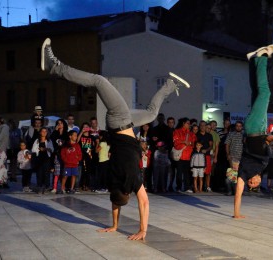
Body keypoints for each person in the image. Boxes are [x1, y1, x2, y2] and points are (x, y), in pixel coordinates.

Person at [41, 37, 189, 240]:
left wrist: (143, 230)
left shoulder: (132, 182)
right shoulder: (115, 182)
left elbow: (143, 203)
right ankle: (169, 86)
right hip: (124, 122)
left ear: (127, 194)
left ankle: (54, 66)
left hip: (119, 120)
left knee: (99, 81)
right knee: (151, 114)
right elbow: (115, 202)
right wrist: (114, 226)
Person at [234, 44, 273, 219]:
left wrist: (236, 213)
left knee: (265, 93)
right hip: (256, 128)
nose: (254, 182)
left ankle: (262, 57)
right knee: (257, 93)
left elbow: (238, 193)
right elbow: (264, 144)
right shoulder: (262, 167)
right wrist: (272, 138)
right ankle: (252, 59)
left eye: (251, 183)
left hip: (255, 128)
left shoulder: (245, 172)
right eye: (255, 184)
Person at [173, 117, 197, 193]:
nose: (189, 125)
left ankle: (187, 187)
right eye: (188, 123)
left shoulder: (191, 133)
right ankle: (178, 187)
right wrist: (184, 142)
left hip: (188, 155)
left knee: (187, 173)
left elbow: (193, 143)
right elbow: (176, 143)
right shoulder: (177, 131)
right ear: (183, 123)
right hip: (180, 155)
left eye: (189, 124)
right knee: (179, 173)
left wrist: (186, 142)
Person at [31, 127, 54, 194]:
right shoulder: (37, 140)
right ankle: (39, 186)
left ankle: (47, 186)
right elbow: (33, 149)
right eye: (43, 131)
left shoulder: (49, 140)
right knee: (39, 173)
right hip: (39, 158)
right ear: (40, 132)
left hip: (46, 158)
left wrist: (46, 149)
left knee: (47, 173)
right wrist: (39, 149)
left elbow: (52, 149)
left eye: (45, 131)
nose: (44, 133)